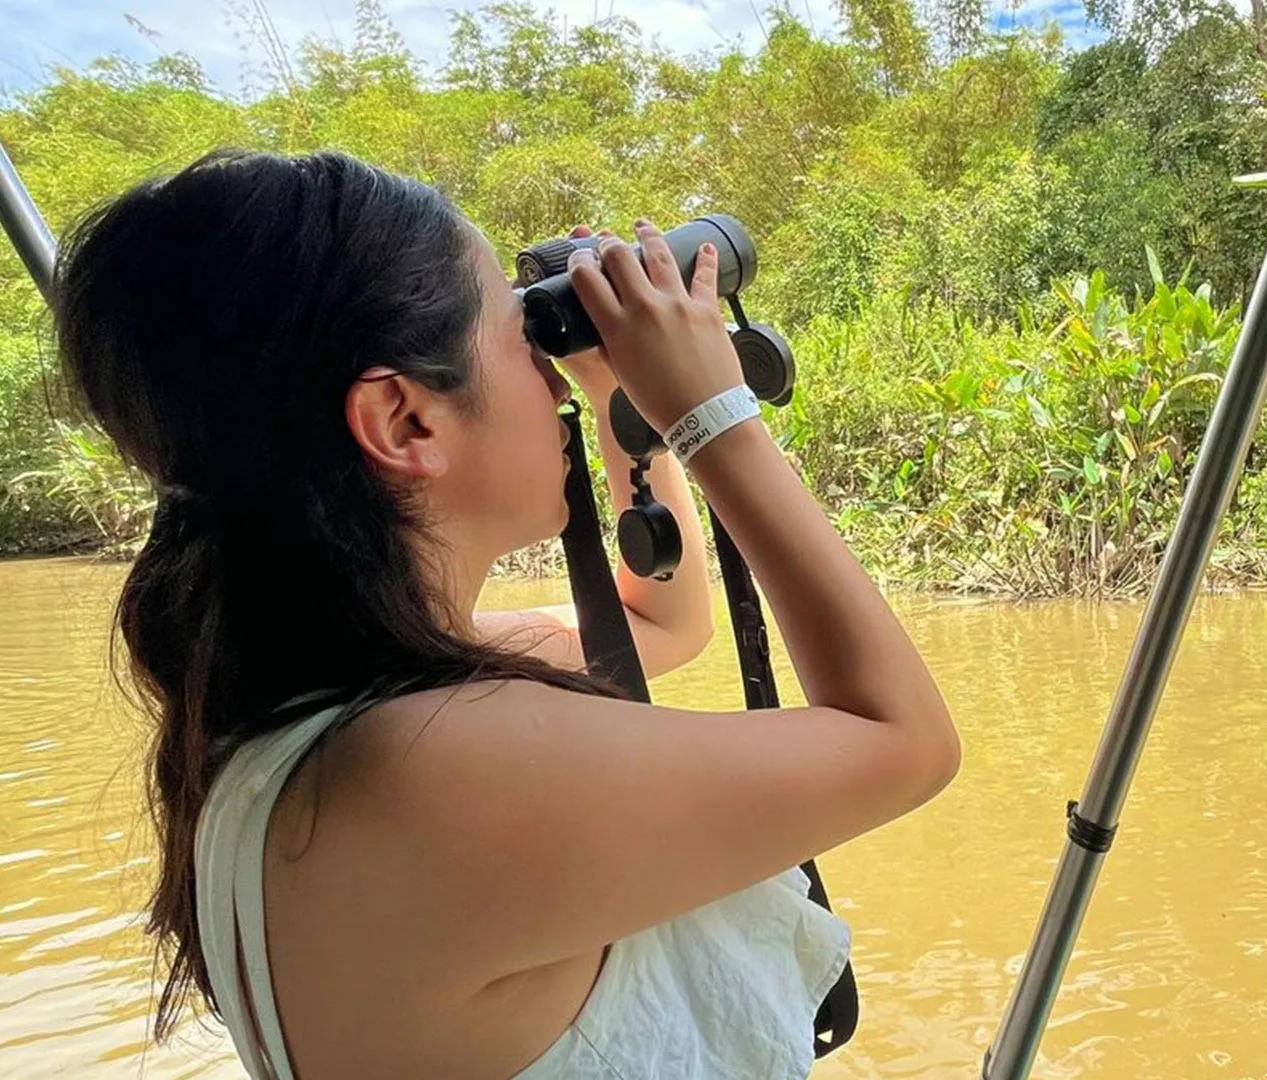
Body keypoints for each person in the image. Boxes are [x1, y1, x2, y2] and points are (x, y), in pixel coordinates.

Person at [52, 148, 959, 1080]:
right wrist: (712, 412)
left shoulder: (317, 708)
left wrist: (620, 397)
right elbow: (903, 742)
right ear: (404, 421)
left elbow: (658, 625)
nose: (555, 382)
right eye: (526, 343)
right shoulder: (432, 771)